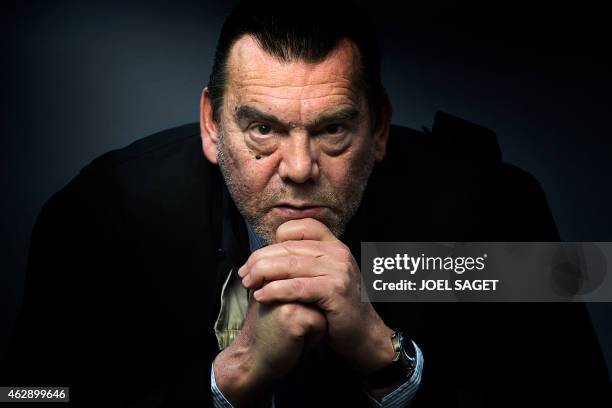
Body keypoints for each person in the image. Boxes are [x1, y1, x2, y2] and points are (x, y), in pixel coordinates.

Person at [3, 1, 609, 407]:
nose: (298, 170)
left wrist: (389, 361)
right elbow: (29, 397)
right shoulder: (103, 213)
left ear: (379, 128)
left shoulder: (495, 208)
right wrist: (227, 380)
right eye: (262, 129)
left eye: (333, 130)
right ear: (213, 126)